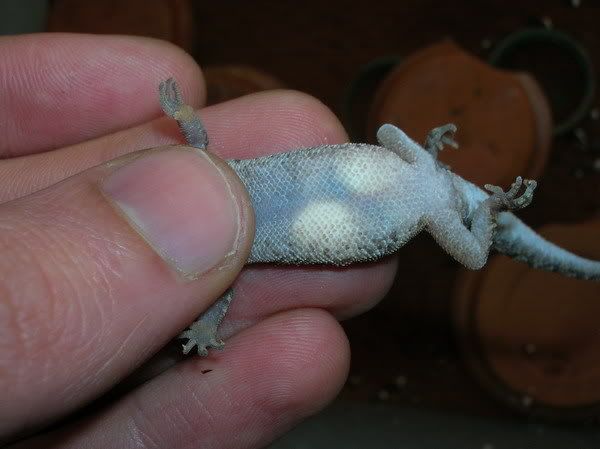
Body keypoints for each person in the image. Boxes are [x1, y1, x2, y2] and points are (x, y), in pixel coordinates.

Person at [0, 34, 396, 448]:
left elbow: (200, 149)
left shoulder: (199, 215)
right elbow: (220, 290)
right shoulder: (212, 258)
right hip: (295, 222)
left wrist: (183, 114)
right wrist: (205, 327)